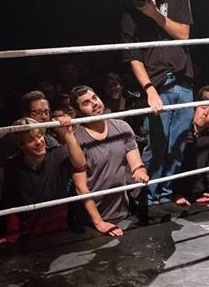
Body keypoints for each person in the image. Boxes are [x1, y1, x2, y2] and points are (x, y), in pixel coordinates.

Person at [119, 0, 194, 204]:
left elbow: (183, 35)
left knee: (178, 144)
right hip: (156, 83)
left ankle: (165, 195)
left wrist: (154, 14)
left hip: (182, 80)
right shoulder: (131, 11)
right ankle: (148, 199)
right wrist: (149, 89)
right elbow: (133, 56)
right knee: (157, 145)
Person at [70, 85, 149, 236]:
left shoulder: (122, 127)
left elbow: (137, 164)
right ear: (79, 112)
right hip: (91, 221)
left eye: (94, 98)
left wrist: (140, 172)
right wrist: (98, 222)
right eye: (86, 103)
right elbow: (81, 187)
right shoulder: (77, 139)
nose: (94, 103)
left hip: (122, 213)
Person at [0, 114, 86, 244]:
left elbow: (80, 164)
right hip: (28, 232)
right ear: (21, 145)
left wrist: (68, 134)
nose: (39, 142)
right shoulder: (13, 166)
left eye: (40, 136)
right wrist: (13, 232)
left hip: (60, 229)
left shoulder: (58, 154)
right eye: (31, 140)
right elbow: (10, 200)